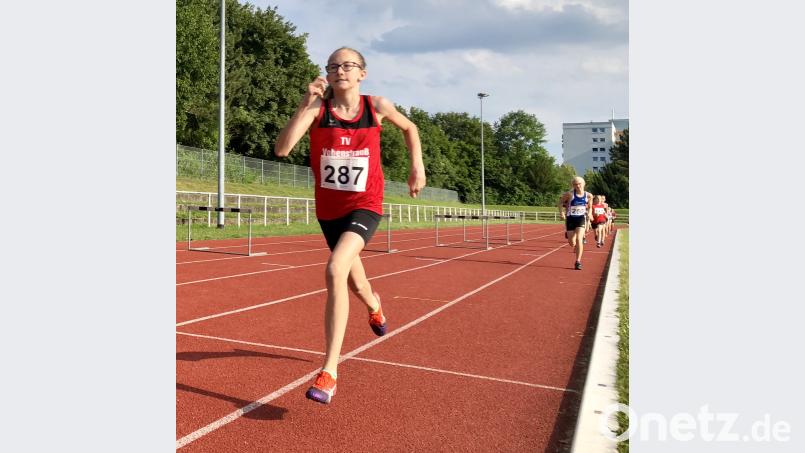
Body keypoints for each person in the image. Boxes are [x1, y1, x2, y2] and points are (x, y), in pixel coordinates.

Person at [275, 47, 426, 404]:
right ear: (327, 74)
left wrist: (416, 167)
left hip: (365, 204)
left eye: (348, 65)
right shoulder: (317, 109)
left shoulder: (378, 107)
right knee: (356, 282)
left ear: (362, 73)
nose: (340, 70)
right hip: (329, 212)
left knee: (334, 269)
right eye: (333, 66)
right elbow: (282, 149)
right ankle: (374, 305)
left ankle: (329, 372)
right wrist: (304, 104)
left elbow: (411, 128)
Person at [558, 176, 592, 270]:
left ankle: (578, 261)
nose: (578, 186)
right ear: (573, 185)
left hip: (581, 218)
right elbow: (560, 203)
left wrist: (589, 213)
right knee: (572, 243)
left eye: (579, 184)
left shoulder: (589, 195)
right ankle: (573, 242)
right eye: (575, 184)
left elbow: (590, 206)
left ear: (584, 184)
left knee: (579, 239)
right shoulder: (569, 194)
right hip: (570, 219)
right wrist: (561, 213)